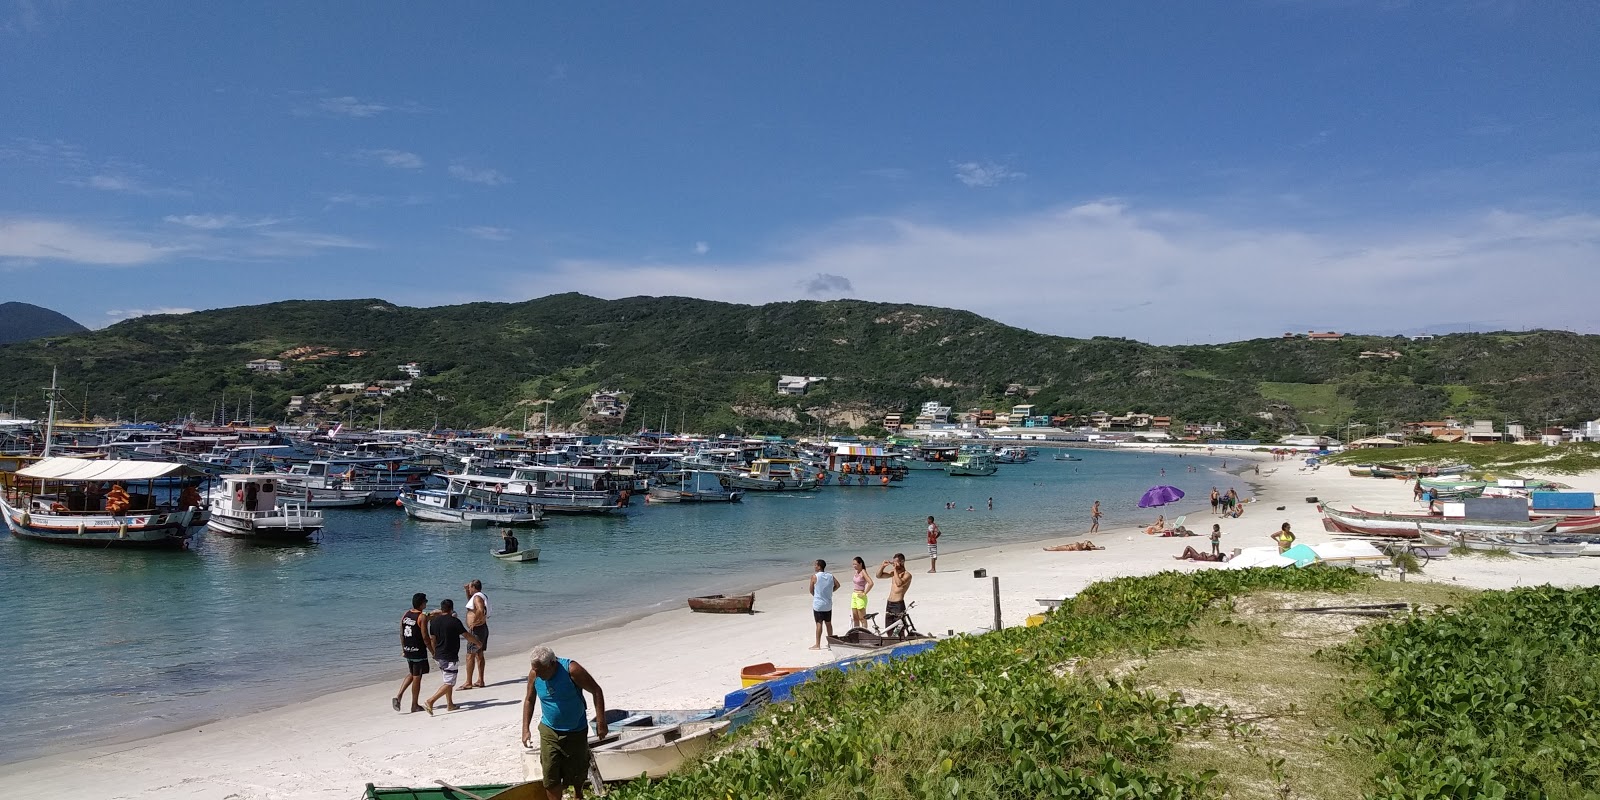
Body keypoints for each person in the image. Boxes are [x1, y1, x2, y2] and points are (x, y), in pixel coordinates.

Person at [521, 646, 607, 800]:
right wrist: (525, 729)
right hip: (549, 730)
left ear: (552, 664)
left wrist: (601, 721)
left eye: (540, 670)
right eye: (534, 669)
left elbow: (596, 690)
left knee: (578, 770)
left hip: (576, 729)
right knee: (550, 773)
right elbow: (529, 700)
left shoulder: (572, 670)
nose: (537, 674)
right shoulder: (535, 674)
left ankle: (578, 795)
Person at [423, 598, 482, 715]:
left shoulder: (434, 622)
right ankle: (430, 701)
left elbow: (432, 639)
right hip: (449, 656)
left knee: (447, 679)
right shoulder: (455, 621)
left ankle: (450, 704)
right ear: (451, 609)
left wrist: (434, 653)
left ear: (442, 609)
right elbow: (466, 635)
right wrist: (477, 642)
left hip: (439, 656)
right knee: (450, 683)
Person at [393, 592, 432, 713]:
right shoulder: (422, 617)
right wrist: (432, 651)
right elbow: (425, 637)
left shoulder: (406, 614)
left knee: (412, 673)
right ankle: (414, 705)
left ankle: (399, 696)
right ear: (421, 604)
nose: (426, 603)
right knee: (417, 677)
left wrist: (403, 648)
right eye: (425, 601)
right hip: (418, 651)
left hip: (408, 649)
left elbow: (401, 632)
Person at [461, 580, 490, 690]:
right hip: (482, 629)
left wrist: (474, 622)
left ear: (474, 587)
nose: (469, 589)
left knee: (470, 655)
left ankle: (468, 682)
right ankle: (480, 680)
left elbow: (480, 610)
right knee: (479, 654)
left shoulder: (477, 598)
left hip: (477, 630)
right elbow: (471, 602)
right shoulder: (479, 596)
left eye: (469, 587)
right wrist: (466, 591)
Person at [876, 553, 913, 631]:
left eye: (896, 562)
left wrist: (895, 570)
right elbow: (879, 576)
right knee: (889, 628)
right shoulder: (894, 573)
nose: (894, 565)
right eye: (893, 562)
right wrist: (883, 566)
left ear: (902, 562)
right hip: (890, 604)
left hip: (898, 604)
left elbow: (899, 584)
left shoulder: (907, 575)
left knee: (899, 629)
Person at [808, 559, 839, 649]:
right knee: (828, 623)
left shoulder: (814, 577)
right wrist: (830, 592)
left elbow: (811, 590)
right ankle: (831, 643)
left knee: (819, 623)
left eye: (815, 565)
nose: (814, 566)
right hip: (828, 604)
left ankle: (817, 644)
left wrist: (817, 595)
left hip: (818, 604)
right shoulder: (830, 576)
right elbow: (837, 585)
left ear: (819, 566)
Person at [849, 556, 874, 629]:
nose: (854, 566)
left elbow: (871, 583)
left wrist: (864, 593)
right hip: (854, 595)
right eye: (853, 564)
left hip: (860, 595)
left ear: (860, 564)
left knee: (862, 618)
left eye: (855, 564)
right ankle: (856, 633)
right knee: (855, 617)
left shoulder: (863, 572)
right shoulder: (856, 572)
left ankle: (864, 632)